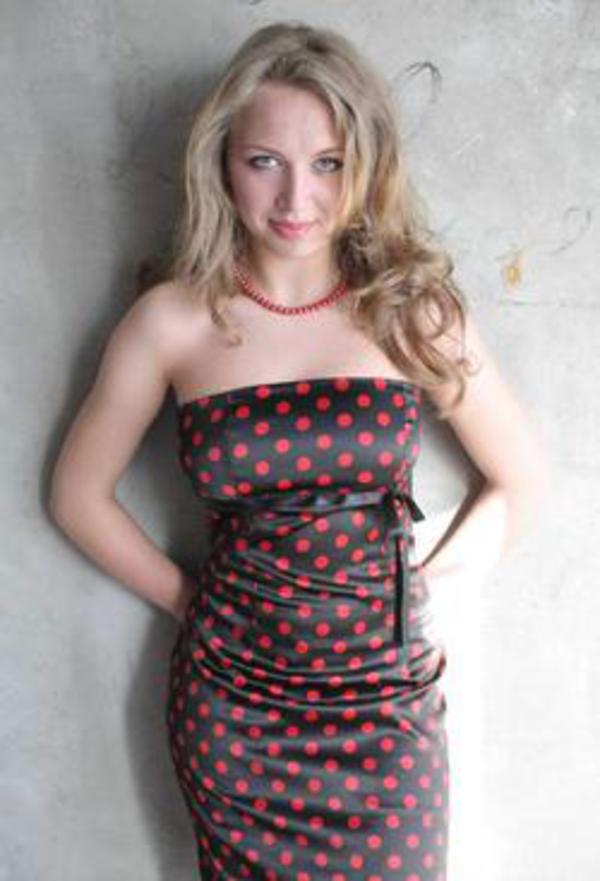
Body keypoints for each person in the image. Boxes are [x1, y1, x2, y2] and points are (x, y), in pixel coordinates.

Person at [49, 21, 551, 881]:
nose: (296, 198)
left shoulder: (412, 311)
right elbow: (76, 495)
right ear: (221, 161)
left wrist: (420, 592)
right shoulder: (171, 320)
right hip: (235, 710)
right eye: (264, 161)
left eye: (327, 163)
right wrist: (189, 602)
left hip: (385, 710)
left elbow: (520, 480)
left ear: (367, 165)